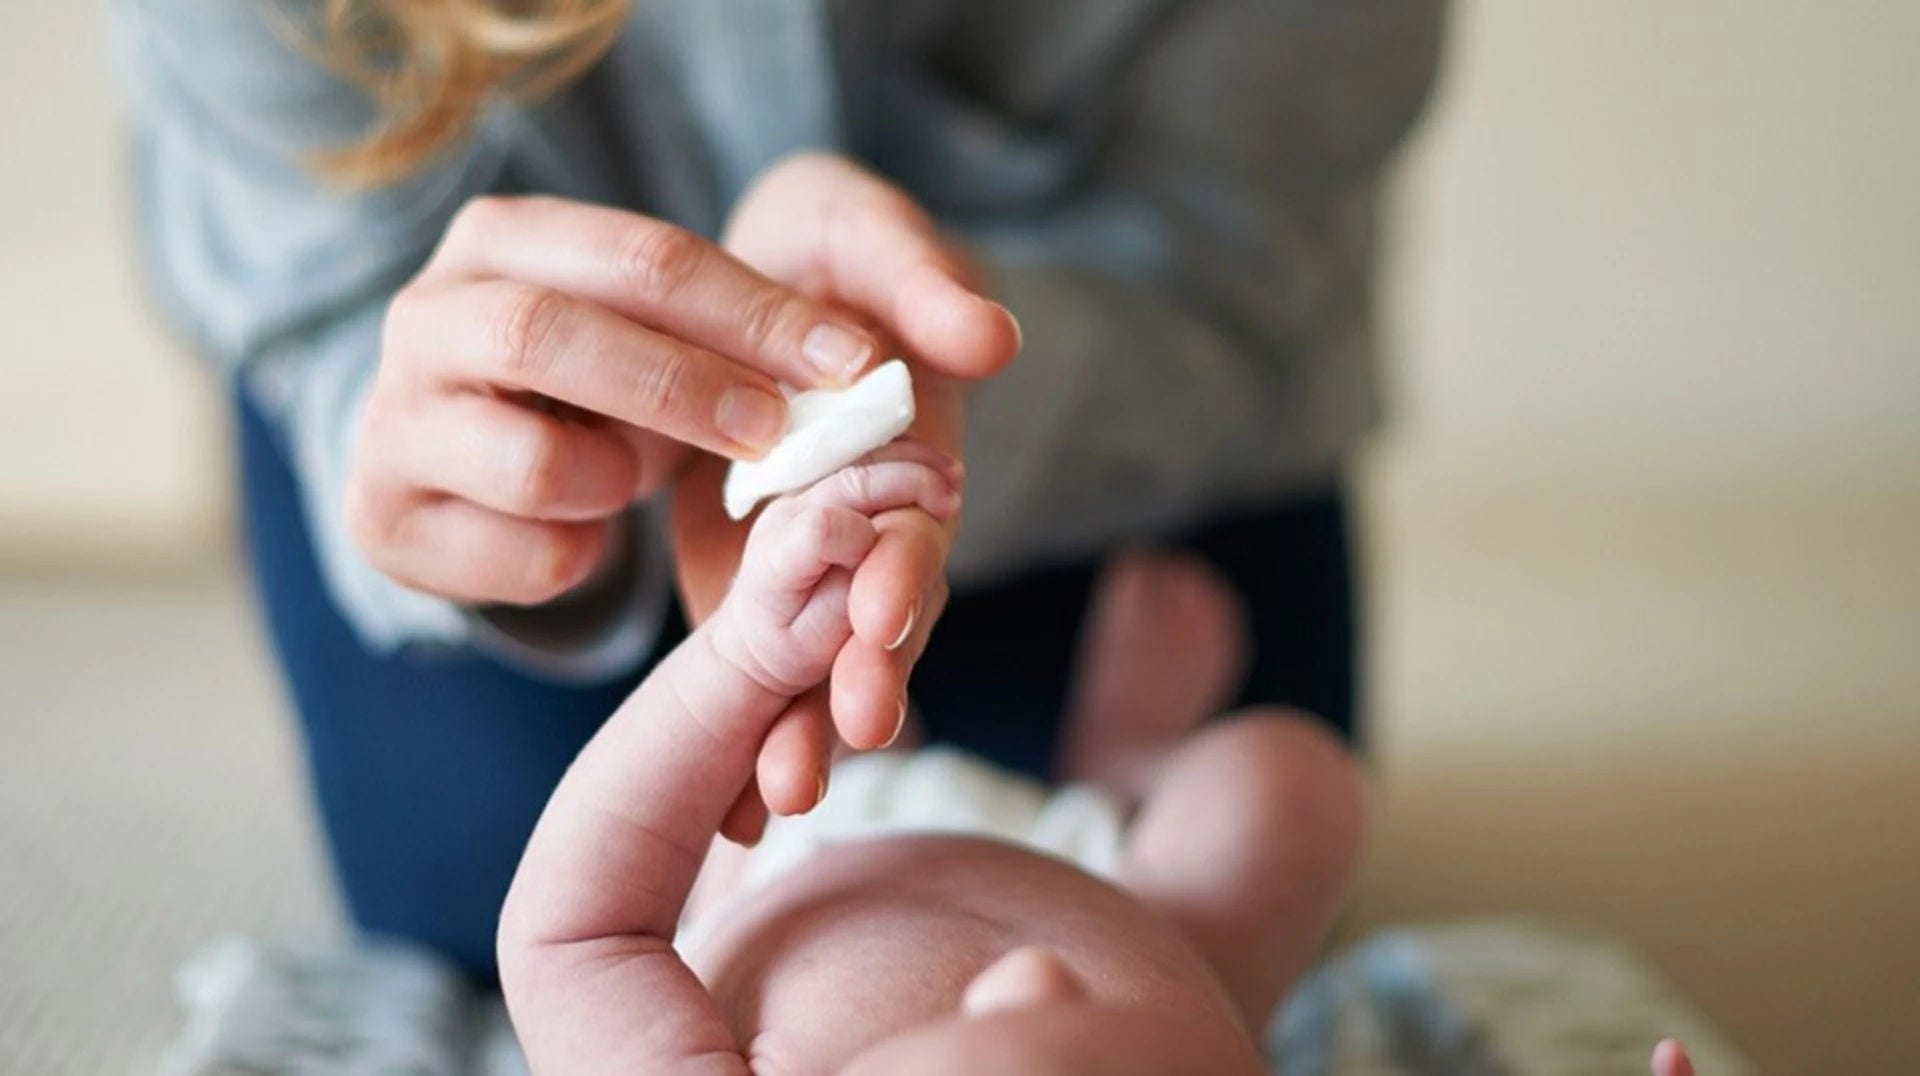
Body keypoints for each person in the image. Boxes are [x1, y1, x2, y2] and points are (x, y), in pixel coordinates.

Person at [116, 0, 1444, 977]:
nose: (1020, 987)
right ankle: (1117, 758)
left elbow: (1245, 278)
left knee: (491, 916)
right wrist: (471, 451)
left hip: (1127, 375)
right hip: (470, 343)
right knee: (1272, 841)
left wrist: (756, 609)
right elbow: (331, 288)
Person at [499, 442, 1367, 1073]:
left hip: (806, 833)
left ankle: (840, 698)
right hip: (1133, 890)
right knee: (1292, 791)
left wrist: (743, 663)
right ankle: (1123, 767)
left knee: (787, 755)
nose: (1027, 986)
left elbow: (575, 937)